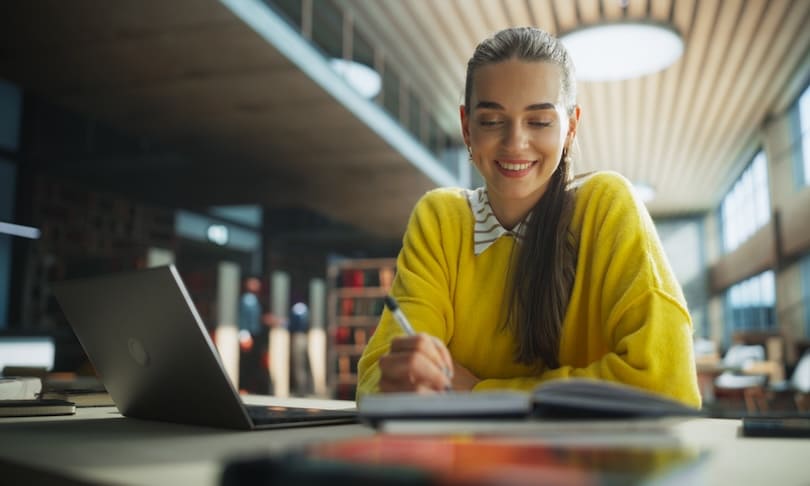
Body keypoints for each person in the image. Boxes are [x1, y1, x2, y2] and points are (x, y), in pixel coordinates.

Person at [356, 27, 701, 407]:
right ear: (467, 127)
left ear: (570, 127)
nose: (515, 142)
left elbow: (668, 383)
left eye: (538, 121)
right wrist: (400, 378)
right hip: (467, 450)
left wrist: (477, 392)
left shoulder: (606, 205)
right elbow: (375, 381)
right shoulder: (440, 219)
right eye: (491, 120)